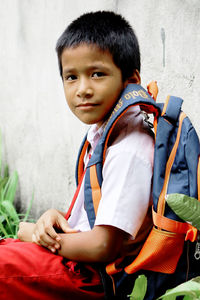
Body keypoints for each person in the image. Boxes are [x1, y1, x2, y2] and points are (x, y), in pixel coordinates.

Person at [0, 11, 154, 299]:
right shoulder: (103, 135)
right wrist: (52, 217)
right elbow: (88, 220)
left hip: (93, 278)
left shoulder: (129, 147)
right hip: (75, 261)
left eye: (97, 74)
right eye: (71, 77)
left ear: (130, 80)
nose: (83, 89)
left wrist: (32, 232)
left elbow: (103, 247)